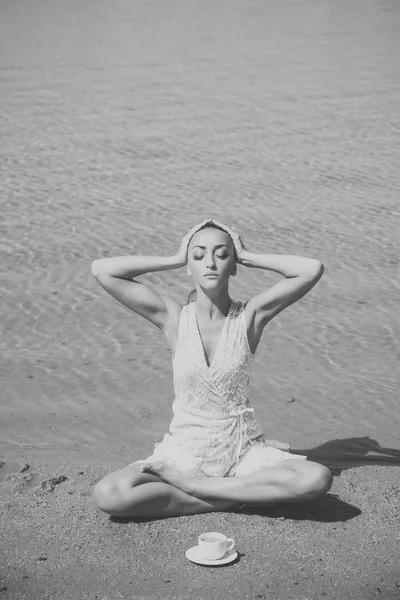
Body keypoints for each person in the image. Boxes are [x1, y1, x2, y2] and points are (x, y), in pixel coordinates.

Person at [91, 218, 333, 519]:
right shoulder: (173, 319)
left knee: (317, 478)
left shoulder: (250, 317)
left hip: (243, 454)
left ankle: (193, 490)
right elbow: (102, 270)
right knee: (109, 494)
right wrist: (173, 259)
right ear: (189, 266)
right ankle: (228, 497)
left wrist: (247, 255)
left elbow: (311, 269)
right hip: (185, 453)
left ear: (233, 266)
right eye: (198, 255)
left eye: (221, 254)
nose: (210, 263)